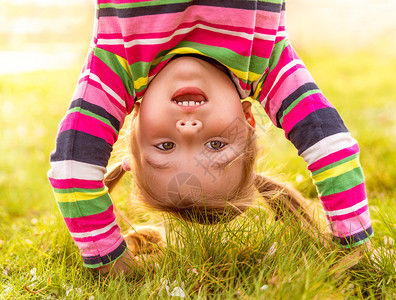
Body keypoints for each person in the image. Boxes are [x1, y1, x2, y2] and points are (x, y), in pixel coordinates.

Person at [48, 0, 373, 274]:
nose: (188, 129)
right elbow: (331, 147)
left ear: (134, 123)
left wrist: (110, 260)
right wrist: (355, 243)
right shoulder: (264, 58)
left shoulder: (118, 59)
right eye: (216, 145)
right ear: (247, 121)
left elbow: (71, 171)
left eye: (165, 146)